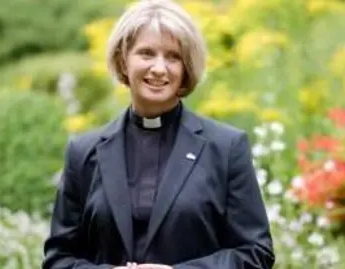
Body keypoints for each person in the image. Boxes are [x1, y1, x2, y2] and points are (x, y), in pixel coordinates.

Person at [42, 0, 275, 268]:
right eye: (146, 53)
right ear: (123, 60)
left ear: (186, 67)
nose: (159, 68)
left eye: (173, 57)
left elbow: (257, 253)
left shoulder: (226, 148)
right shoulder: (83, 151)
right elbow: (58, 260)